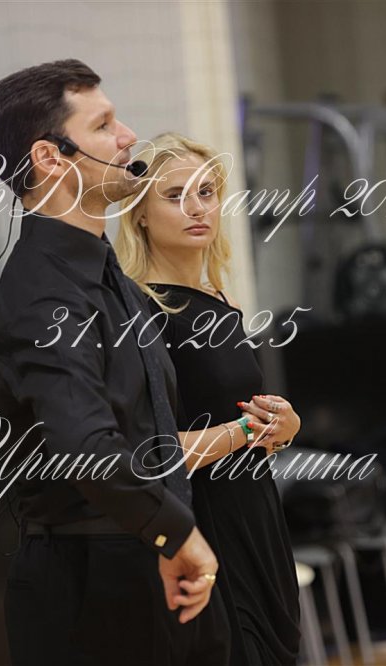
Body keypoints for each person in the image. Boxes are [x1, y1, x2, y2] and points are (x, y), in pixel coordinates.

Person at [0, 61, 228, 665]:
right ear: (50, 157)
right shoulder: (43, 294)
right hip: (92, 581)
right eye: (104, 125)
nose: (127, 137)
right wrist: (175, 533)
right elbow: (86, 444)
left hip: (151, 560)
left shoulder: (106, 273)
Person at [114, 132, 302, 665]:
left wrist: (284, 427)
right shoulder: (141, 316)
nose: (197, 208)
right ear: (140, 213)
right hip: (202, 525)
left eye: (206, 192)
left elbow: (248, 418)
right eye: (175, 196)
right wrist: (243, 432)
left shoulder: (221, 301)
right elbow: (149, 451)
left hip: (257, 515)